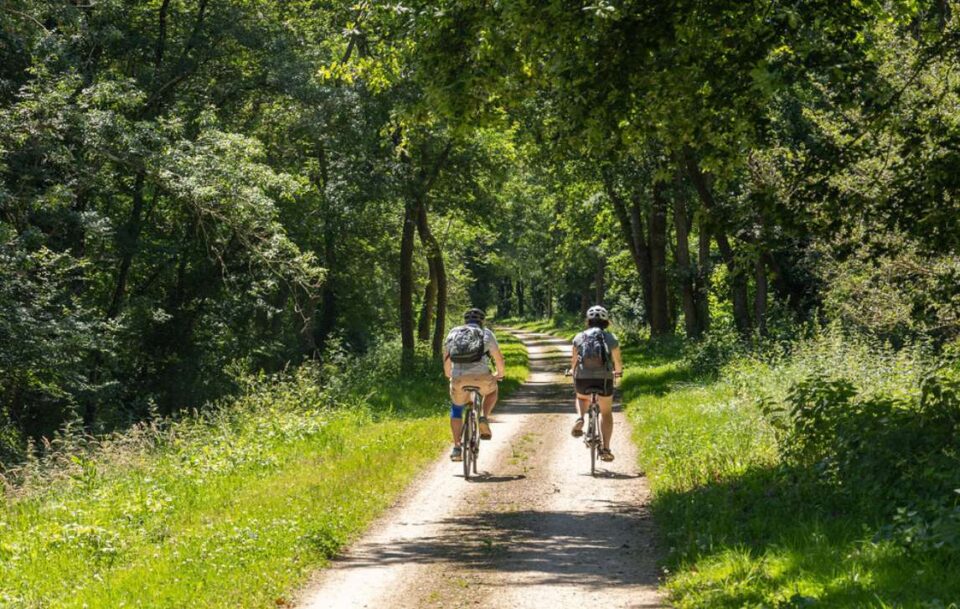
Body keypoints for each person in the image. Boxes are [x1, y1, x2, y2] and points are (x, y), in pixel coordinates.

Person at [443, 308, 505, 462]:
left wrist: (449, 374)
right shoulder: (486, 333)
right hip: (481, 377)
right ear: (481, 321)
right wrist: (500, 374)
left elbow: (446, 358)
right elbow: (498, 358)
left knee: (456, 408)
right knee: (492, 391)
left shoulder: (453, 333)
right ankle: (483, 417)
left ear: (465, 321)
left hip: (458, 378)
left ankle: (457, 448)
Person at [570, 305, 623, 462]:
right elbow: (617, 361)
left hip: (583, 379)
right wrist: (618, 373)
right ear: (606, 321)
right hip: (604, 379)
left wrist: (572, 372)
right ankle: (606, 449)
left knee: (581, 397)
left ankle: (580, 418)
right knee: (606, 412)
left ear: (588, 320)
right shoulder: (611, 338)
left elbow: (574, 361)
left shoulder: (579, 337)